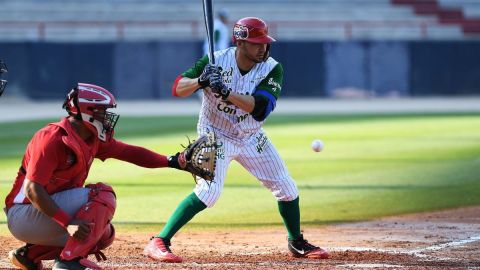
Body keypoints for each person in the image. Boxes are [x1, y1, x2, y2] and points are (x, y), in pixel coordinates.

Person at [143, 17, 329, 263]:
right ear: (240, 43)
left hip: (251, 135)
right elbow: (178, 88)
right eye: (255, 43)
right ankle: (160, 241)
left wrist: (226, 92)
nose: (262, 47)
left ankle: (296, 242)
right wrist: (201, 81)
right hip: (215, 134)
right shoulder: (214, 60)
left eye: (264, 42)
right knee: (209, 192)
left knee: (287, 188)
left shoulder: (273, 68)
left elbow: (260, 108)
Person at [4, 83, 189, 270]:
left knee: (103, 234)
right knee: (102, 193)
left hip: (42, 214)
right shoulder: (51, 137)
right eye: (102, 111)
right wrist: (67, 223)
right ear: (86, 111)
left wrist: (174, 161)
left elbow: (131, 153)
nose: (107, 116)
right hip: (23, 214)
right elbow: (32, 189)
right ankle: (69, 262)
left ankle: (29, 255)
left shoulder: (91, 138)